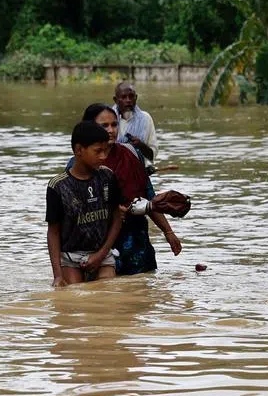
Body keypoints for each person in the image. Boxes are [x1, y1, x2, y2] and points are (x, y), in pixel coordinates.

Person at [82, 104, 182, 275]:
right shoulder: (81, 162)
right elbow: (75, 209)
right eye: (104, 126)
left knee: (142, 293)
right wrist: (111, 212)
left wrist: (168, 231)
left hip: (136, 243)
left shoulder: (131, 153)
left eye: (114, 124)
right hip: (99, 247)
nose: (111, 130)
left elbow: (148, 196)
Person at [46, 121, 125, 287]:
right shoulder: (58, 186)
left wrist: (101, 254)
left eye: (106, 150)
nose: (104, 156)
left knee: (108, 294)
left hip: (103, 255)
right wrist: (57, 276)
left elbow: (117, 217)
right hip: (71, 258)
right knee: (75, 295)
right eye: (98, 151)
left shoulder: (107, 177)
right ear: (79, 150)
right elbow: (53, 232)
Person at [112, 82, 157, 165]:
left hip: (138, 170)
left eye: (131, 96)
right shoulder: (109, 119)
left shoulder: (146, 119)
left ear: (136, 98)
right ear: (116, 100)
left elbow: (152, 156)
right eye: (123, 97)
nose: (128, 100)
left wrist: (140, 145)